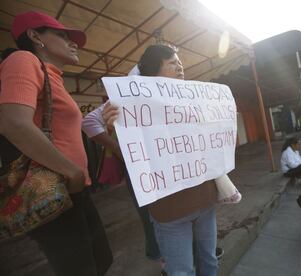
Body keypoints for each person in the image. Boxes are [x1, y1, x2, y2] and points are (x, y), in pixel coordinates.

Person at [0, 11, 112, 276]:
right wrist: (70, 171)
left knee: (101, 260)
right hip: (54, 189)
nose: (74, 43)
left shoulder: (53, 77)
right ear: (35, 35)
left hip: (75, 189)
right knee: (81, 269)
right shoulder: (23, 60)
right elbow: (14, 123)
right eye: (62, 35)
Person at [102, 44, 218, 276]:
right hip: (169, 209)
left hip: (205, 199)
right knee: (181, 271)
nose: (180, 67)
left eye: (180, 62)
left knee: (210, 261)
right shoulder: (130, 108)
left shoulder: (194, 101)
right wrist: (115, 128)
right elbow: (134, 152)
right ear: (152, 72)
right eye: (172, 63)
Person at [82, 100, 163, 270]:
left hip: (166, 166)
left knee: (167, 215)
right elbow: (89, 122)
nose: (179, 71)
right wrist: (123, 153)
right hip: (142, 169)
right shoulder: (127, 94)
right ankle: (164, 260)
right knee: (153, 215)